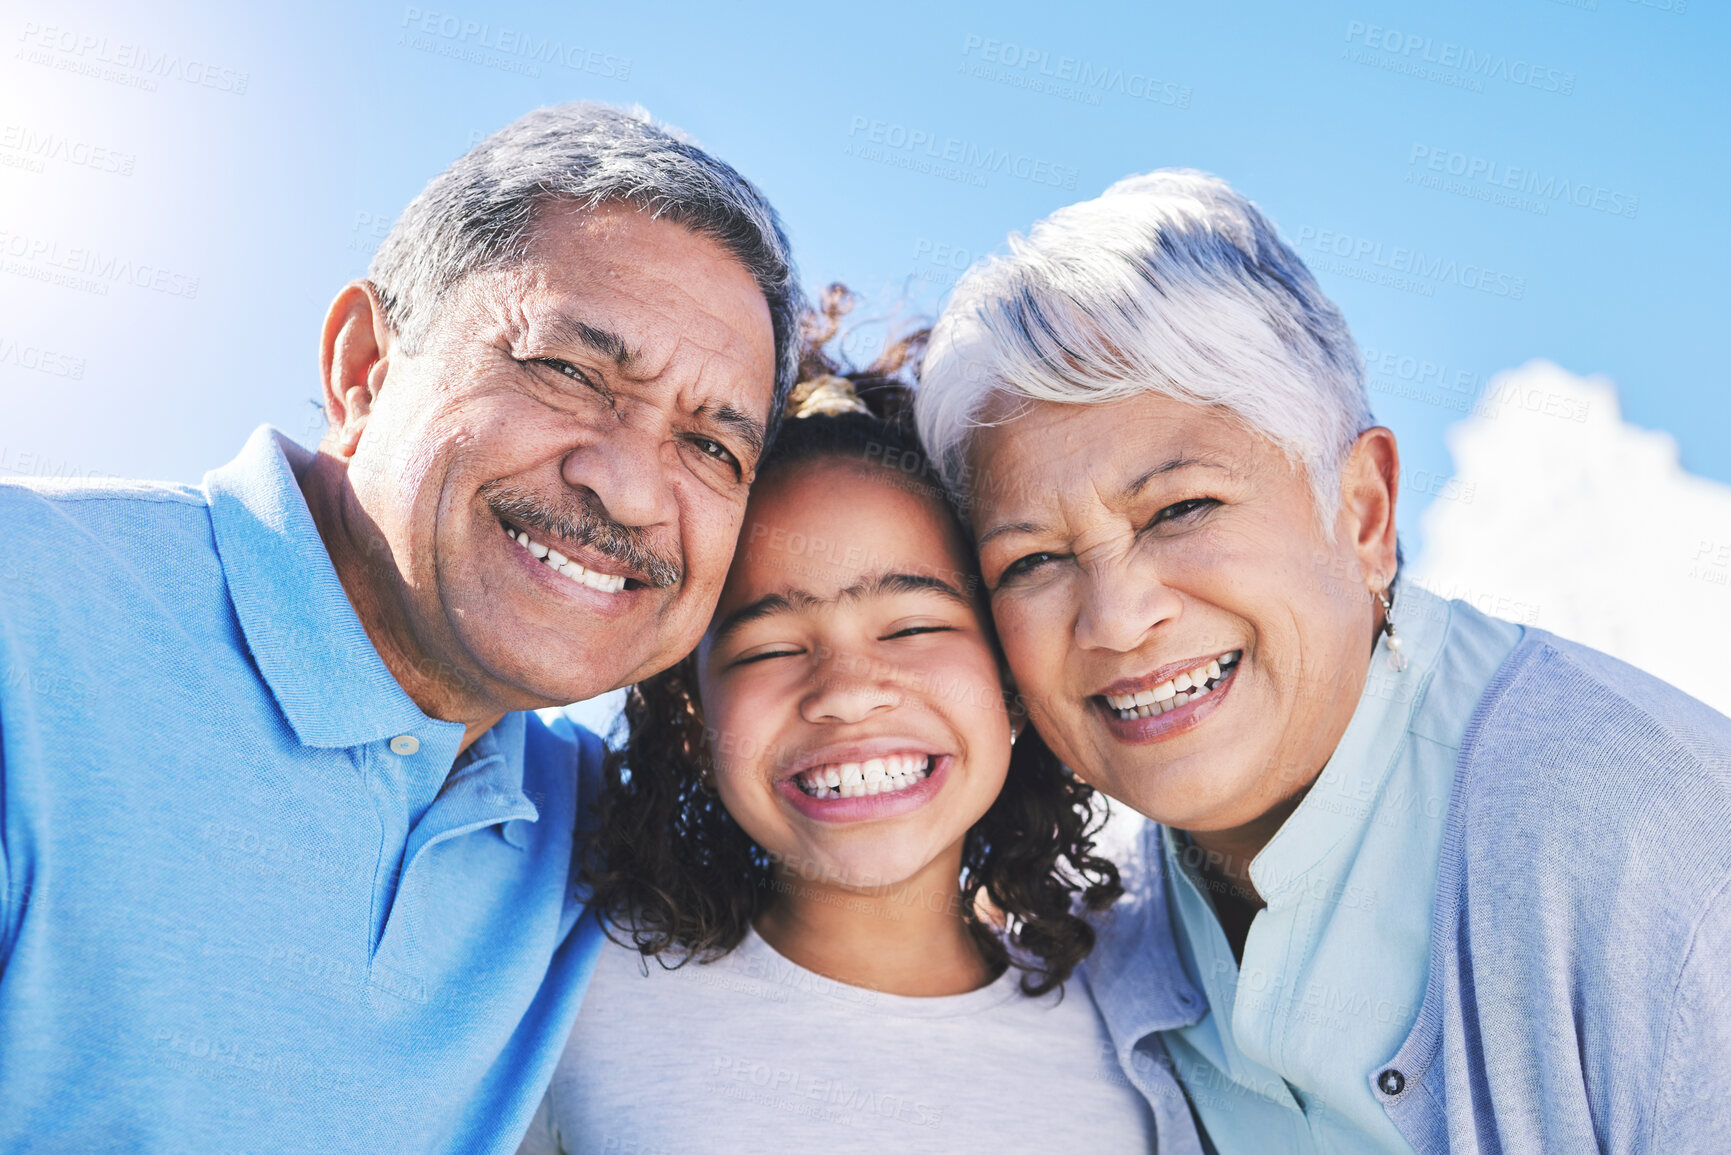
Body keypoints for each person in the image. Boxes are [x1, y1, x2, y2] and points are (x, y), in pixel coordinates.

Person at [0, 103, 800, 1153]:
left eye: (712, 447)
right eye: (570, 372)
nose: (634, 489)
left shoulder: (604, 833)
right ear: (364, 367)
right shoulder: (27, 609)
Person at [912, 170, 1731, 1153]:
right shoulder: (1088, 938)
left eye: (1182, 509)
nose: (1120, 620)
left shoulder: (1662, 855)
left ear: (1365, 512)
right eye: (1034, 560)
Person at [516, 296, 1202, 1154]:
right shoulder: (563, 1005)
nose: (845, 691)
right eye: (769, 645)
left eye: (912, 627)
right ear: (690, 716)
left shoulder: (1140, 1034)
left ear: (1012, 683)